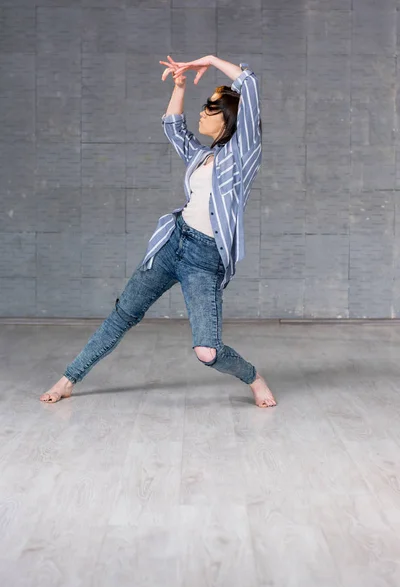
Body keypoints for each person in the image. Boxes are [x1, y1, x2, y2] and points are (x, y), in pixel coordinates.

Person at [40, 55, 276, 408]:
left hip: (205, 259)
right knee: (123, 314)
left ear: (228, 117)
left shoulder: (243, 154)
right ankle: (68, 379)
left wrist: (210, 59)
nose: (202, 113)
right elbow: (173, 127)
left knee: (207, 351)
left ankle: (253, 377)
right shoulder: (201, 156)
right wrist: (179, 87)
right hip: (173, 242)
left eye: (209, 108)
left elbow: (250, 84)